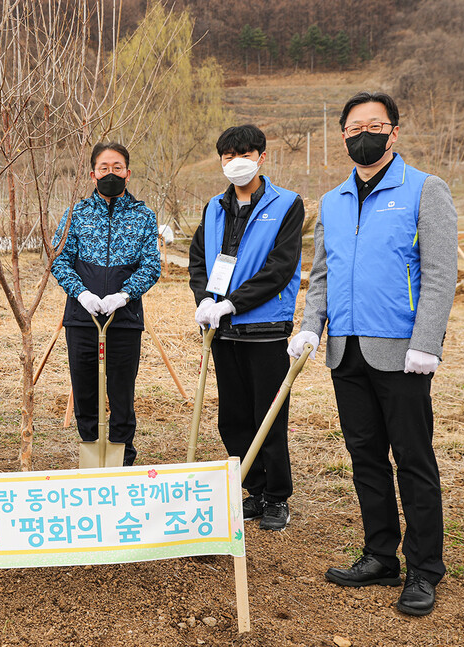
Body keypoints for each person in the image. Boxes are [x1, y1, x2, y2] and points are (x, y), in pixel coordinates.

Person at [288, 92, 457, 616]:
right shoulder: (334, 200)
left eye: (376, 125)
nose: (365, 133)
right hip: (347, 353)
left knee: (412, 459)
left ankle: (424, 567)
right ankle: (381, 554)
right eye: (355, 126)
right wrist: (310, 327)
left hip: (402, 355)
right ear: (342, 135)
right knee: (365, 460)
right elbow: (322, 274)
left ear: (394, 133)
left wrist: (426, 342)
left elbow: (439, 274)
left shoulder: (425, 190)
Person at [188, 124, 304, 531]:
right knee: (233, 417)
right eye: (227, 156)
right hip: (221, 331)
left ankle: (277, 496)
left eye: (244, 154)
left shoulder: (288, 204)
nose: (236, 162)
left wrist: (234, 304)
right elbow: (199, 259)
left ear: (261, 157)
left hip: (265, 328)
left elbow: (279, 268)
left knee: (267, 415)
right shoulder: (213, 208)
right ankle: (253, 490)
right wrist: (205, 298)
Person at [51, 141, 161, 466]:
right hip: (82, 319)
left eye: (117, 168)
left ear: (128, 173)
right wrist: (81, 293)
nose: (110, 173)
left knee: (122, 392)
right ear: (92, 174)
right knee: (85, 391)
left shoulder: (143, 216)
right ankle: (91, 452)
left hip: (124, 320)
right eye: (104, 168)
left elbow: (151, 265)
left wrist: (124, 295)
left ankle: (122, 458)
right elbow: (59, 260)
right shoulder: (77, 214)